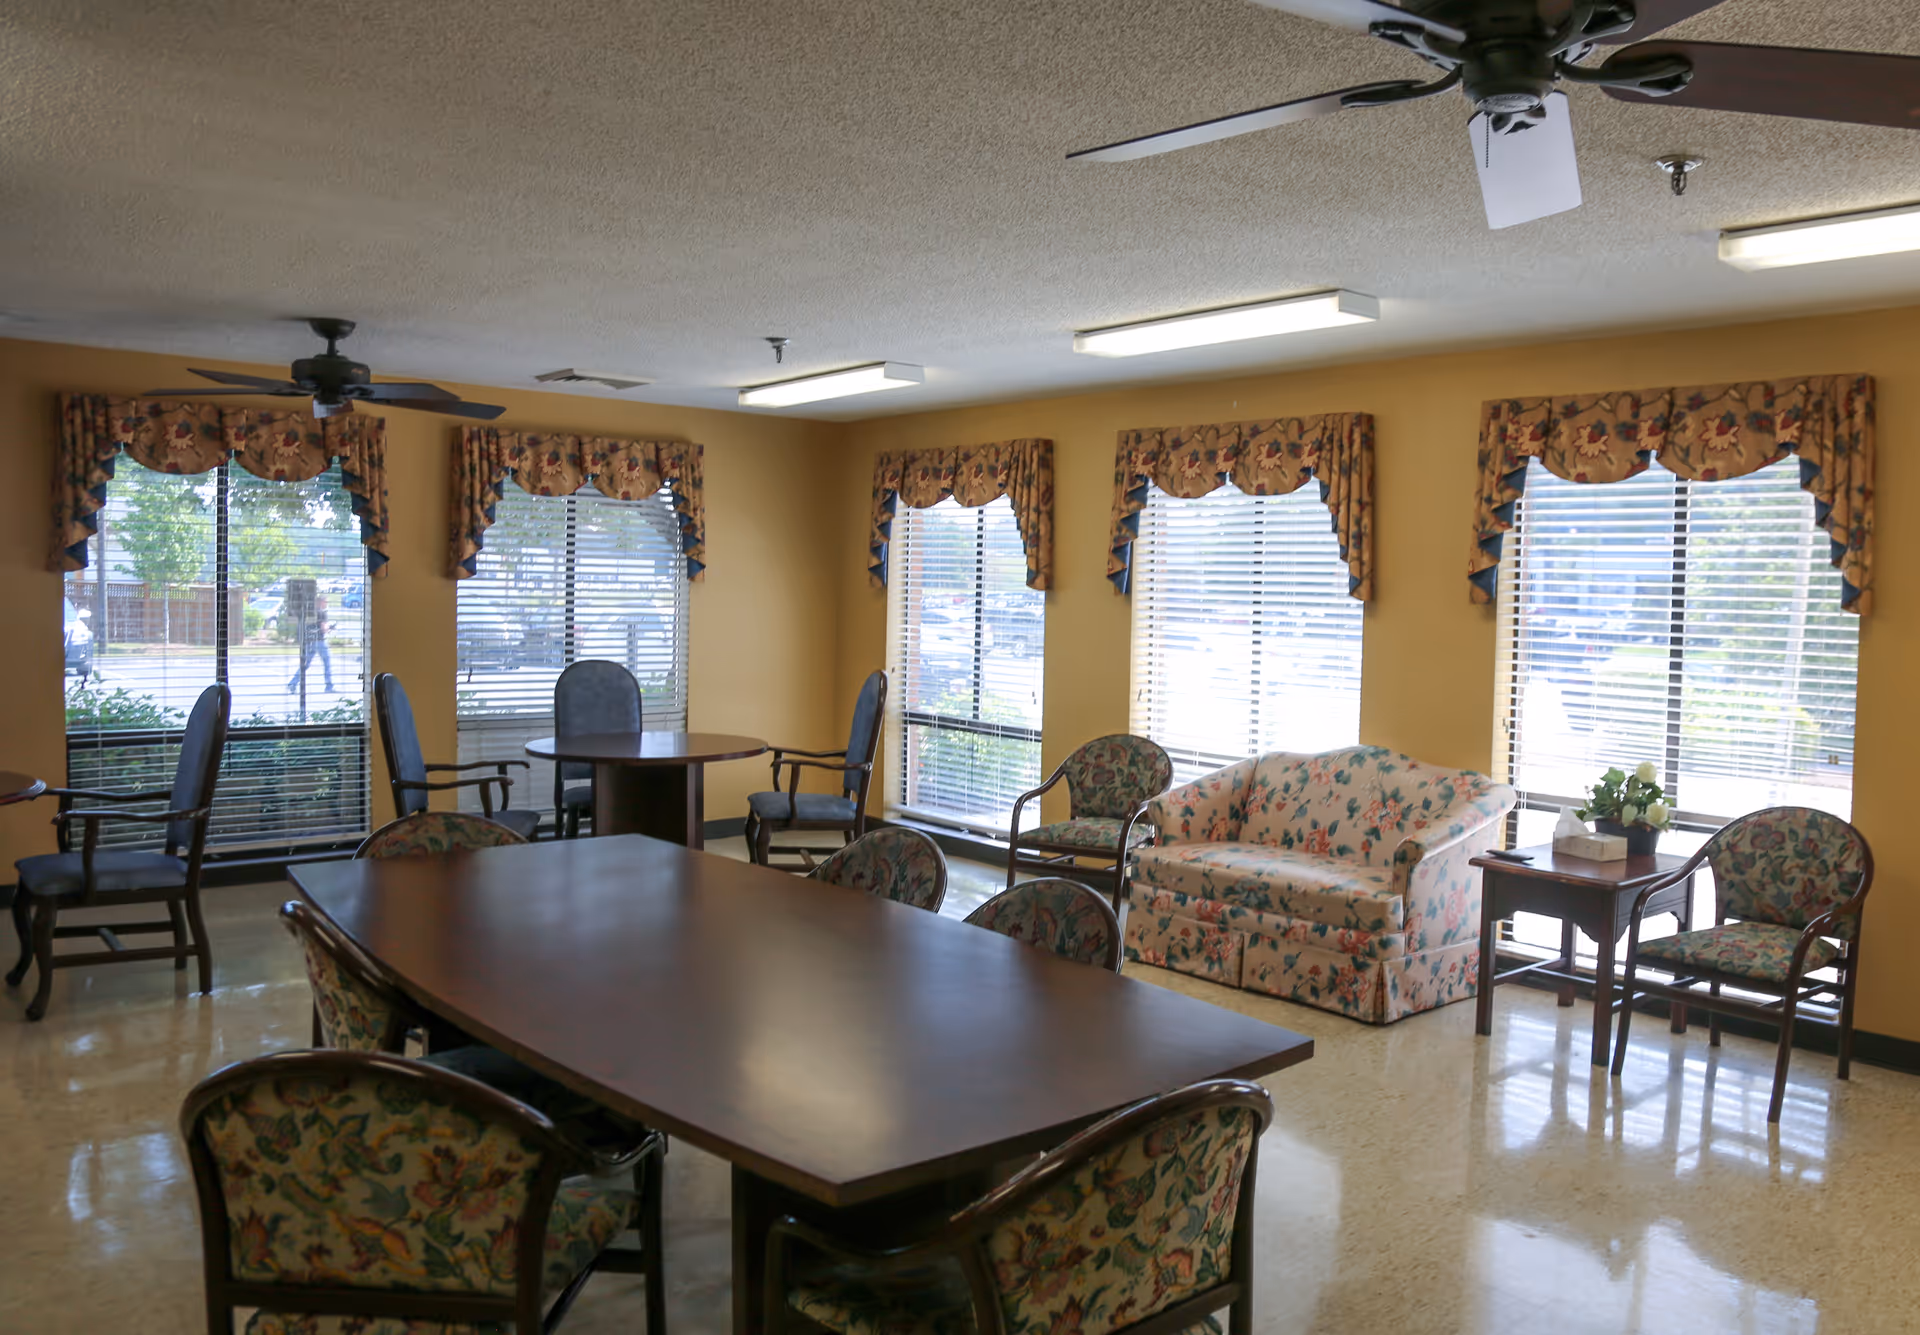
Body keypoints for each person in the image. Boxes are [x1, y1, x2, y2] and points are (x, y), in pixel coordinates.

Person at [288, 594, 334, 693]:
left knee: (305, 665)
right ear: (320, 602)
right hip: (320, 642)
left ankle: (293, 683)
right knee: (327, 663)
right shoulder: (322, 613)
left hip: (309, 642)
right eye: (325, 602)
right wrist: (330, 628)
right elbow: (323, 628)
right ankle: (329, 686)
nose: (326, 604)